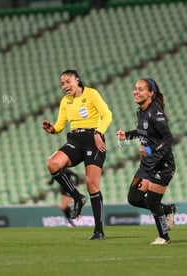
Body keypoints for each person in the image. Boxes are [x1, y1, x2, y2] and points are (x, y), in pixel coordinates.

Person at [42, 69, 112, 240]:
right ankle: (77, 197)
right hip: (75, 140)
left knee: (91, 185)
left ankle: (99, 231)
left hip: (93, 140)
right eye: (62, 84)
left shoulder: (91, 94)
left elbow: (107, 115)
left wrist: (98, 132)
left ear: (77, 80)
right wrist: (52, 129)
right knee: (52, 164)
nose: (65, 86)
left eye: (68, 82)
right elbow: (60, 126)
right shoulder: (65, 101)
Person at [116, 77, 176, 245]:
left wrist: (150, 150)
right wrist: (127, 135)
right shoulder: (140, 111)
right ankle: (167, 209)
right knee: (134, 198)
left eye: (141, 89)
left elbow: (168, 138)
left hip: (163, 166)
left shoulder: (156, 113)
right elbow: (143, 131)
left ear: (151, 93)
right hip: (147, 164)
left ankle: (164, 237)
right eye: (135, 88)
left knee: (151, 201)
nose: (136, 91)